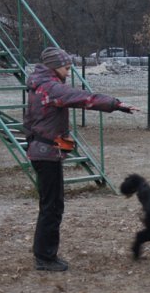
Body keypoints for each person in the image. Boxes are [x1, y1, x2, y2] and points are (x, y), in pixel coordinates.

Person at [24, 46, 138, 272]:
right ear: (54, 67)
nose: (68, 72)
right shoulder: (51, 88)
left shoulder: (39, 85)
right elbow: (84, 98)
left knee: (50, 205)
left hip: (42, 151)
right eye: (66, 68)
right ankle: (45, 257)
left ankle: (43, 253)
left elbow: (29, 121)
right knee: (52, 207)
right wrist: (115, 104)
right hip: (46, 154)